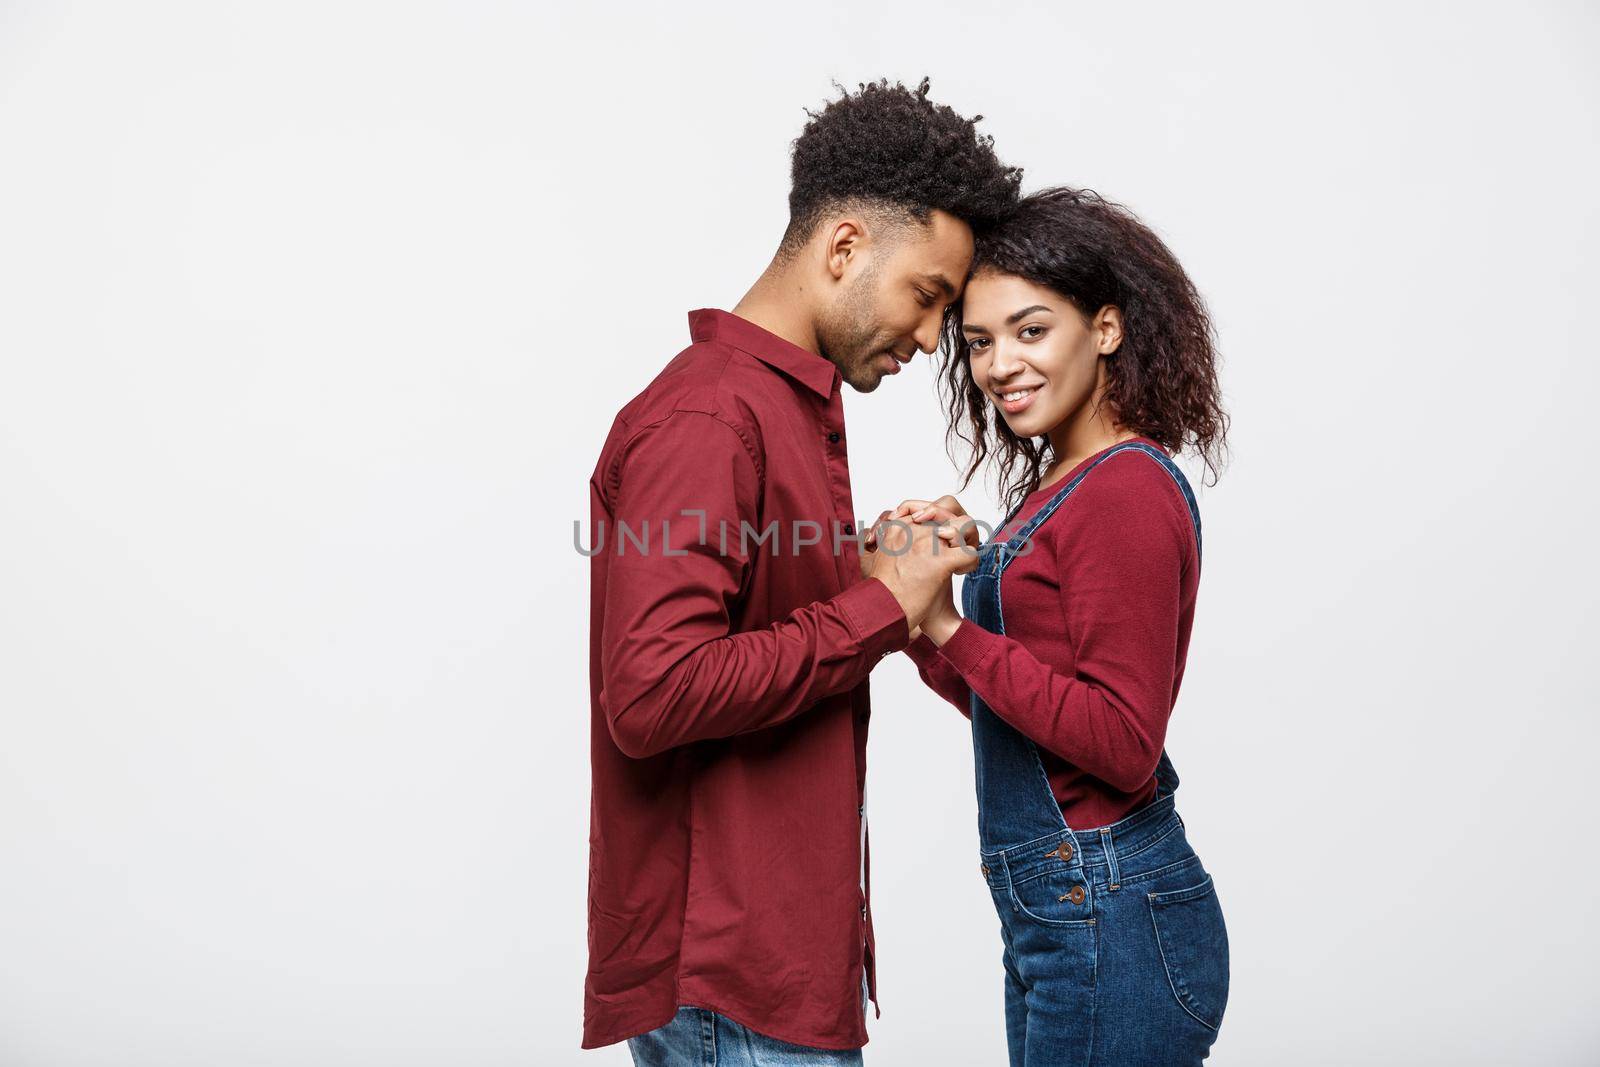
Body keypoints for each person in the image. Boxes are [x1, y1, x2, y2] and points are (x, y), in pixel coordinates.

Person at [582, 78, 1021, 1064]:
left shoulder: (775, 407)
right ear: (844, 246)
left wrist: (865, 565)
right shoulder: (710, 418)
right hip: (730, 984)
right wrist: (876, 604)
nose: (927, 336)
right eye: (929, 295)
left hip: (762, 972)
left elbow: (740, 621)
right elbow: (649, 692)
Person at [880, 186, 1232, 1065]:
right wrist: (925, 611)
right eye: (981, 342)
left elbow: (1119, 741)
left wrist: (954, 632)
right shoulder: (1065, 482)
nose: (1000, 365)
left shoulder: (1125, 489)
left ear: (1105, 329)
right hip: (1063, 908)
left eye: (1030, 331)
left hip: (1107, 905)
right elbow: (1029, 720)